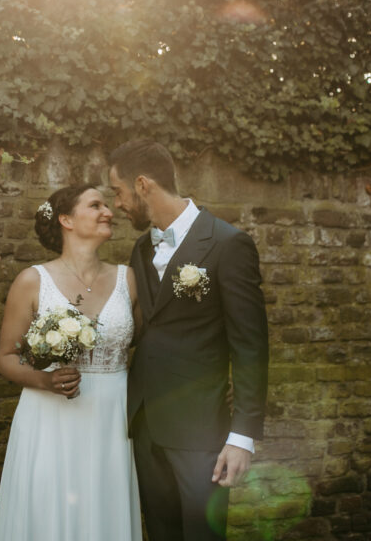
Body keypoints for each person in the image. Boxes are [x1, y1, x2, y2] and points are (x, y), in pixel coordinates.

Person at [108, 140, 269, 541]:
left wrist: (242, 436)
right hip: (146, 426)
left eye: (118, 191)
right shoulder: (141, 249)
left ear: (142, 184)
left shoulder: (228, 244)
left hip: (201, 433)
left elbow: (251, 346)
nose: (117, 204)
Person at [0, 183, 142, 541]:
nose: (108, 212)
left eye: (108, 204)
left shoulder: (128, 279)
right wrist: (46, 381)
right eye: (95, 205)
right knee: (48, 511)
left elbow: (155, 344)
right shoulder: (32, 281)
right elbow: (6, 357)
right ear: (66, 220)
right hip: (50, 417)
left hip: (112, 418)